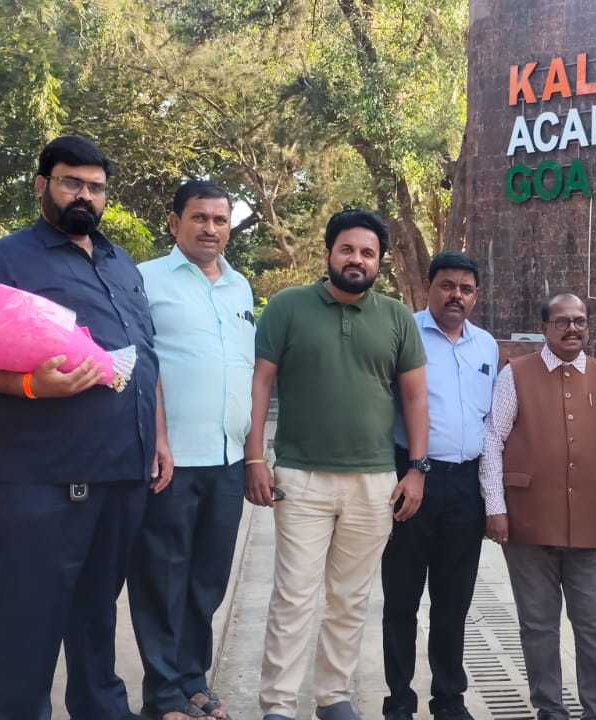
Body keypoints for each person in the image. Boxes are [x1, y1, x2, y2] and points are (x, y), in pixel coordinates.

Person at [0, 135, 162, 720]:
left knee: (96, 613)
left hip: (119, 470)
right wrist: (28, 385)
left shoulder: (120, 263)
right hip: (34, 476)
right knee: (27, 617)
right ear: (43, 185)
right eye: (72, 183)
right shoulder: (2, 261)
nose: (84, 196)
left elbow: (144, 356)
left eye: (96, 187)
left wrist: (157, 439)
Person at [245, 209, 429, 720]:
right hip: (300, 478)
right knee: (294, 596)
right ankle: (279, 704)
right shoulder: (287, 307)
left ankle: (333, 696)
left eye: (368, 253)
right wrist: (255, 456)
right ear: (328, 253)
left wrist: (417, 468)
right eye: (347, 249)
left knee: (350, 598)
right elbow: (260, 383)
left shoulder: (396, 317)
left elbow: (415, 397)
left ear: (379, 261)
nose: (357, 259)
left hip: (374, 481)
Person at [129, 180, 254, 720]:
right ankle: (163, 695)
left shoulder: (240, 287)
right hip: (172, 459)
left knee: (207, 581)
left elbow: (246, 371)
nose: (210, 228)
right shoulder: (144, 279)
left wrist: (252, 453)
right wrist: (158, 439)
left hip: (227, 460)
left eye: (220, 220)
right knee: (162, 578)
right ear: (174, 222)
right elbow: (141, 367)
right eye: (199, 217)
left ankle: (192, 681)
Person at [481, 293, 596, 720]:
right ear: (545, 328)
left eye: (580, 321)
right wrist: (495, 507)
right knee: (538, 625)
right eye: (563, 321)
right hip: (529, 521)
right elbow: (492, 441)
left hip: (593, 521)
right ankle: (550, 709)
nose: (572, 329)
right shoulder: (516, 374)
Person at [380, 250, 499, 720]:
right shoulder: (403, 332)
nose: (456, 296)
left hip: (466, 486)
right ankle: (399, 700)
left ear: (476, 296)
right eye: (447, 285)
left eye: (466, 289)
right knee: (402, 599)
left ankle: (449, 699)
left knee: (454, 601)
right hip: (411, 480)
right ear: (429, 286)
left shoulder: (485, 345)